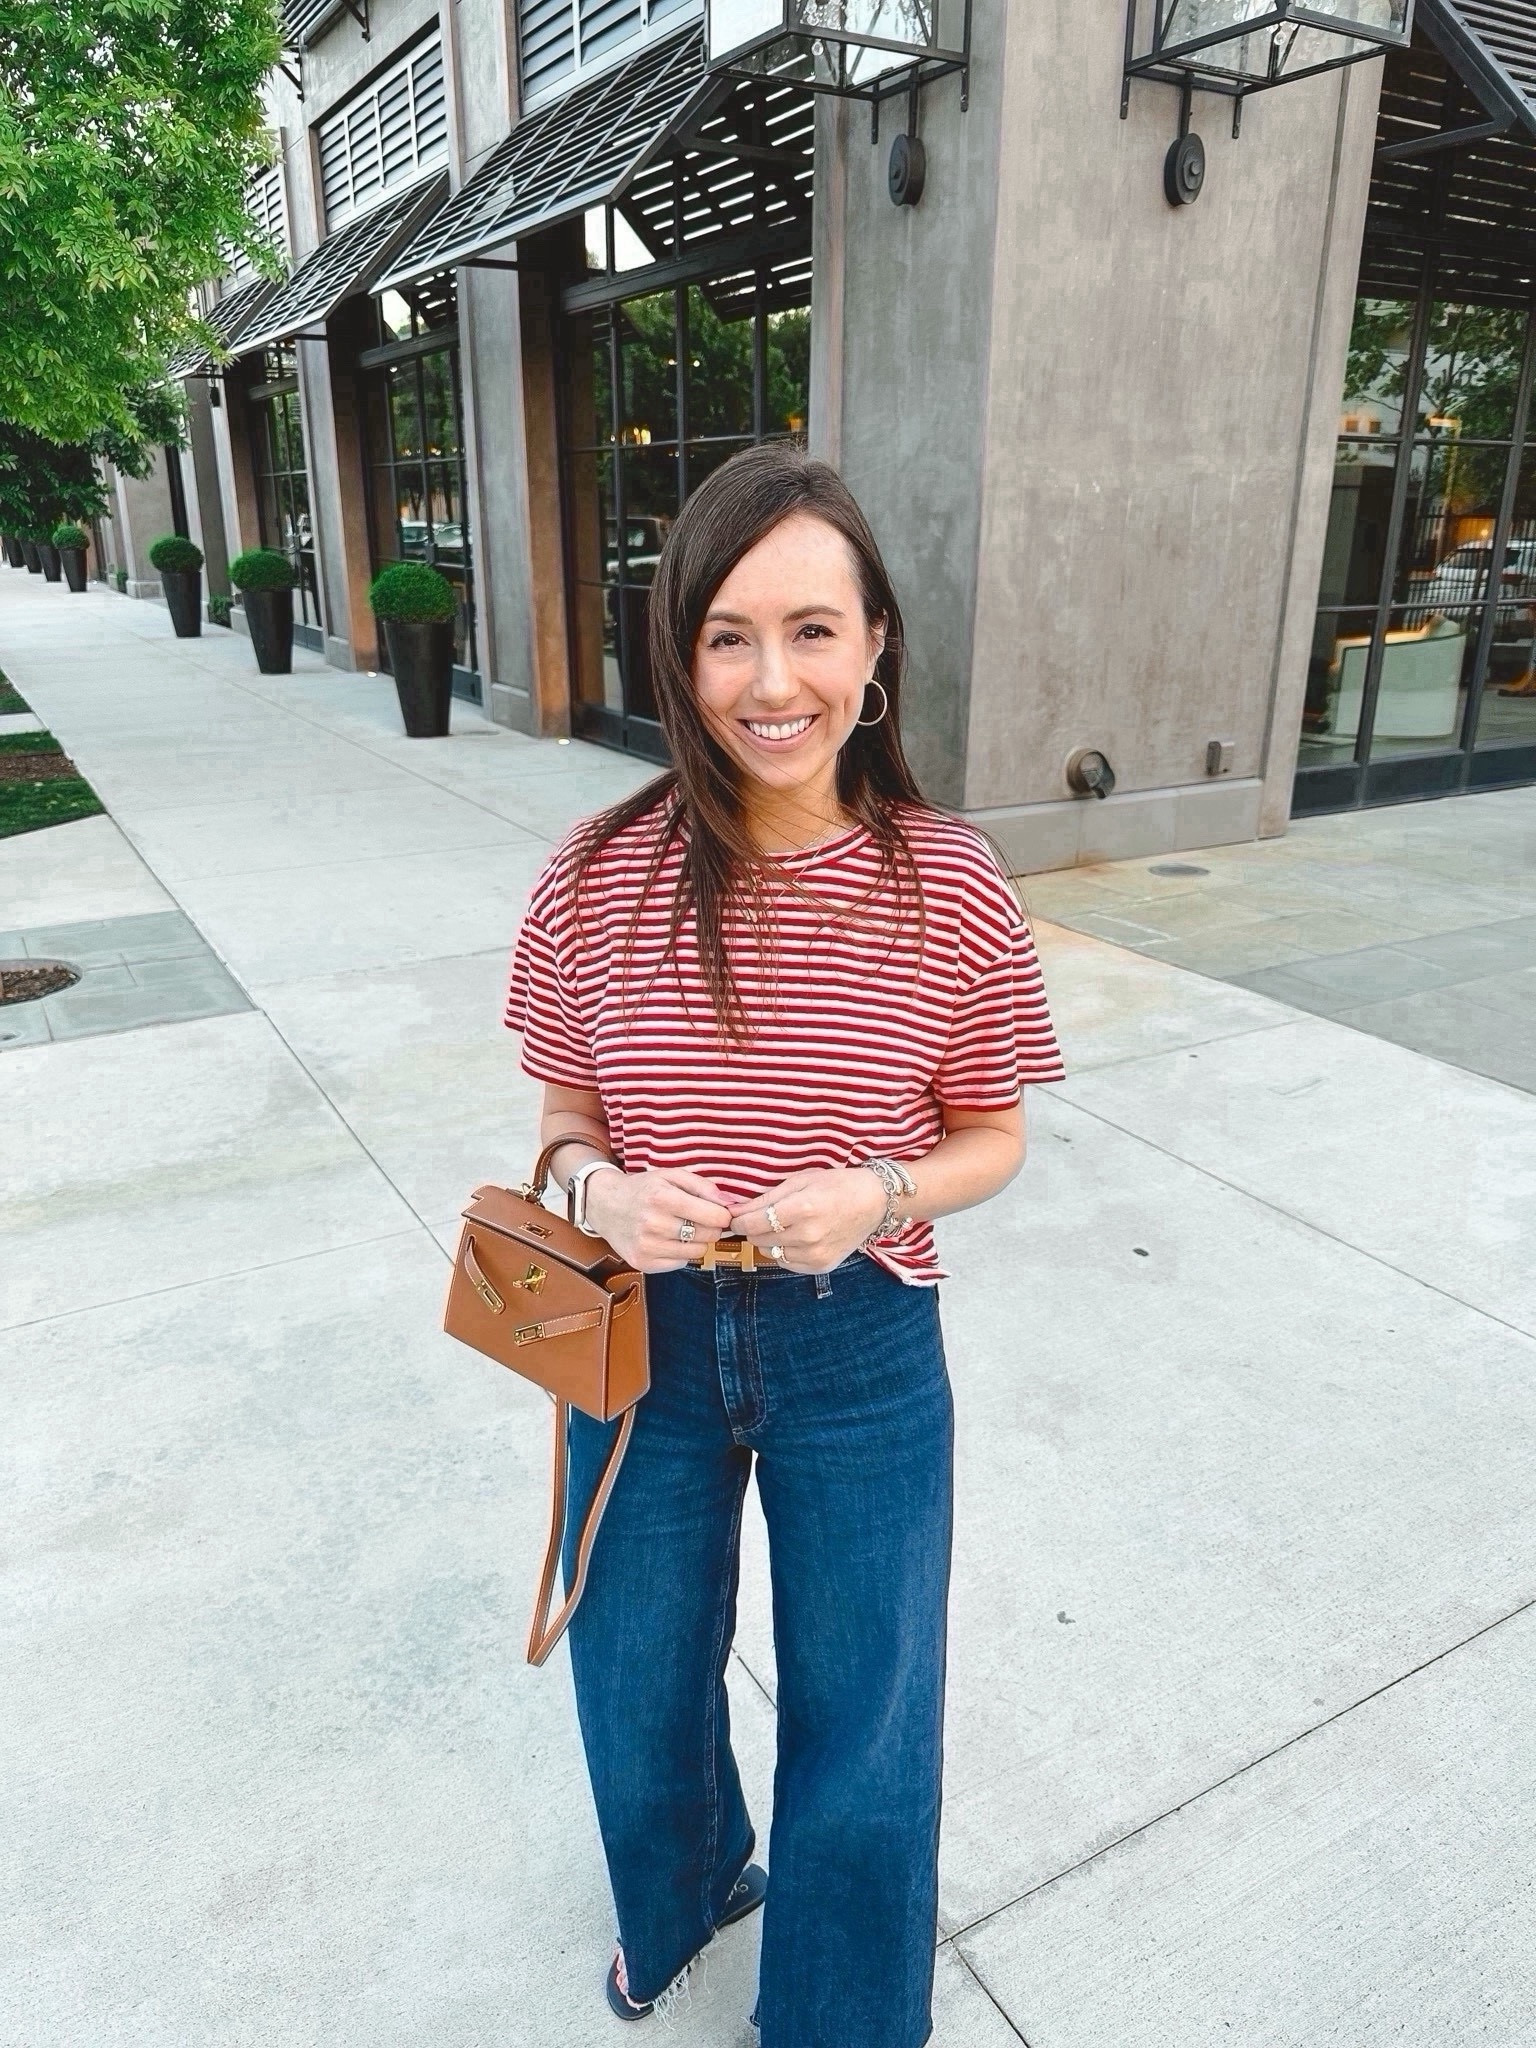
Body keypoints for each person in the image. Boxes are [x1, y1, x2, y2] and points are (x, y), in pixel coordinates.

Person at [504, 443, 1064, 2046]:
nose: (772, 679)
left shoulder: (950, 881)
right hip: (641, 1339)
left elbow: (995, 1134)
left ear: (877, 648)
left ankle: (838, 2019)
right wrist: (599, 1191)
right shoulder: (599, 873)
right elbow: (559, 1113)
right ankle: (683, 1898)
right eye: (729, 633)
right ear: (680, 649)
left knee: (869, 1713)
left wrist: (881, 1191)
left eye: (814, 630)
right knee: (639, 1669)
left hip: (862, 1340)